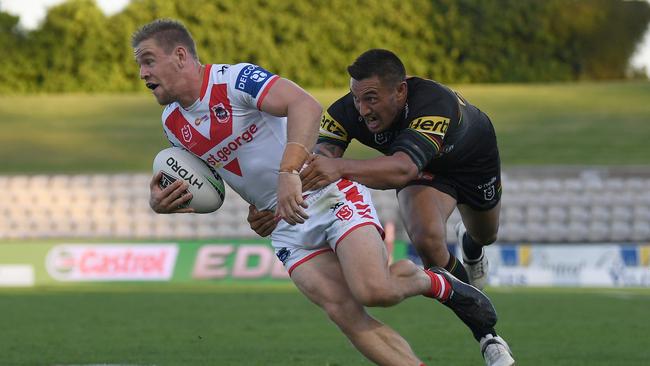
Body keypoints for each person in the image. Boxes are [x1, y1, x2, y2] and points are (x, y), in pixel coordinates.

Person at [133, 20, 498, 365]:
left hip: (327, 193)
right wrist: (166, 201)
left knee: (375, 291)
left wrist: (288, 171)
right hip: (284, 225)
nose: (143, 73)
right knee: (343, 312)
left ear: (180, 56)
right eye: (140, 66)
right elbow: (218, 180)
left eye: (149, 61)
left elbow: (304, 104)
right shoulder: (172, 124)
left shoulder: (233, 80)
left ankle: (437, 282)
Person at [248, 49, 515, 366]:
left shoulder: (434, 102)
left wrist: (342, 168)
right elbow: (315, 167)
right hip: (423, 172)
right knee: (428, 241)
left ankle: (471, 245)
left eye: (372, 99)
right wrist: (275, 205)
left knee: (486, 234)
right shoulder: (345, 112)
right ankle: (488, 336)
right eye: (357, 99)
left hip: (470, 163)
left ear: (400, 90)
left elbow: (401, 170)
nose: (363, 110)